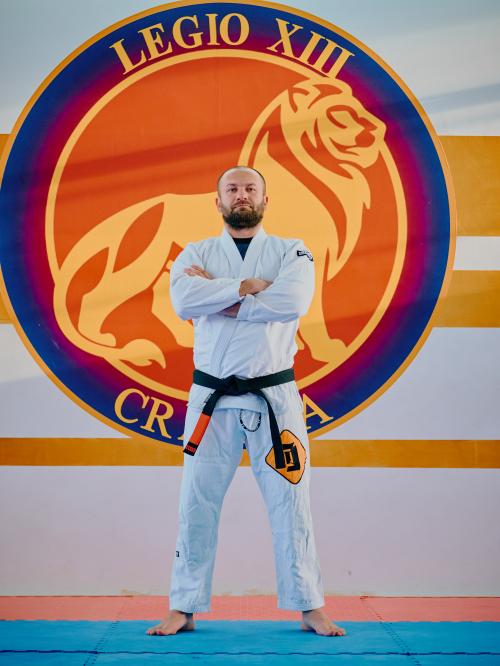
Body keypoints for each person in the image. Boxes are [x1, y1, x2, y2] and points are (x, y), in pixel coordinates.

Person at [146, 166, 346, 637]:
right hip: (211, 398)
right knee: (196, 501)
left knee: (292, 501)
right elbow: (184, 301)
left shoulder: (292, 251)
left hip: (274, 396)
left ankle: (309, 605)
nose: (241, 195)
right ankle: (183, 605)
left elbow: (293, 302)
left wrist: (218, 296)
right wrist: (248, 286)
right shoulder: (195, 253)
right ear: (217, 201)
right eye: (232, 189)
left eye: (250, 188)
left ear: (265, 199)